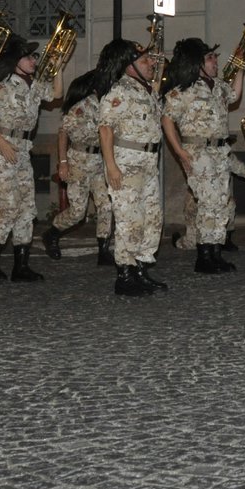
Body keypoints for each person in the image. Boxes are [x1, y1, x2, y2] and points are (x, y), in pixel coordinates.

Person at [0, 35, 62, 283]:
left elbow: (56, 93)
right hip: (3, 148)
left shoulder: (33, 85)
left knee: (27, 209)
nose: (33, 60)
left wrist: (58, 67)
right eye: (27, 56)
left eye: (34, 56)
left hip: (24, 148)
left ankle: (21, 267)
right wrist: (0, 141)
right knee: (9, 207)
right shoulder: (3, 87)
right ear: (15, 62)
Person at [162, 36, 245, 275]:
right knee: (208, 204)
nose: (215, 62)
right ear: (198, 63)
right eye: (210, 58)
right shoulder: (184, 90)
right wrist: (179, 152)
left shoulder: (218, 86)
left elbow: (234, 96)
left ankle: (215, 253)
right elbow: (167, 120)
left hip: (220, 152)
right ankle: (204, 256)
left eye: (215, 58)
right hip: (198, 152)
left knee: (220, 205)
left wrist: (240, 69)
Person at [96, 39, 166, 296]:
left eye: (150, 60)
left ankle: (141, 270)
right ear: (128, 66)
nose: (150, 64)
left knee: (152, 218)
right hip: (126, 162)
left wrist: (156, 47)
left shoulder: (145, 90)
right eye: (144, 61)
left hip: (147, 163)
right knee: (130, 220)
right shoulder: (119, 91)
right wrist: (111, 167)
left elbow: (157, 72)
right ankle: (124, 276)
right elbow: (105, 129)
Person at [43, 69, 113, 266]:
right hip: (79, 161)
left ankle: (103, 250)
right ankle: (52, 233)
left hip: (99, 161)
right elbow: (63, 132)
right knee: (77, 212)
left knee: (106, 205)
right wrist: (63, 163)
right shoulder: (82, 107)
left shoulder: (106, 105)